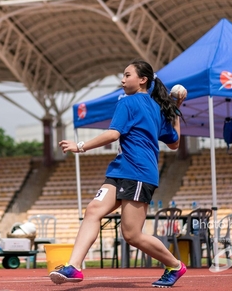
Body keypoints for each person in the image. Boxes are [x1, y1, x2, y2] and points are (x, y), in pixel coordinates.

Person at [49, 59, 187, 288]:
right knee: (93, 210)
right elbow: (174, 141)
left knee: (132, 235)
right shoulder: (154, 107)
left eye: (127, 75)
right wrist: (176, 110)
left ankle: (174, 265)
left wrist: (79, 146)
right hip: (121, 169)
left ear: (142, 79)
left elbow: (114, 135)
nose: (122, 80)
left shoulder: (129, 103)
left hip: (139, 173)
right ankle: (74, 266)